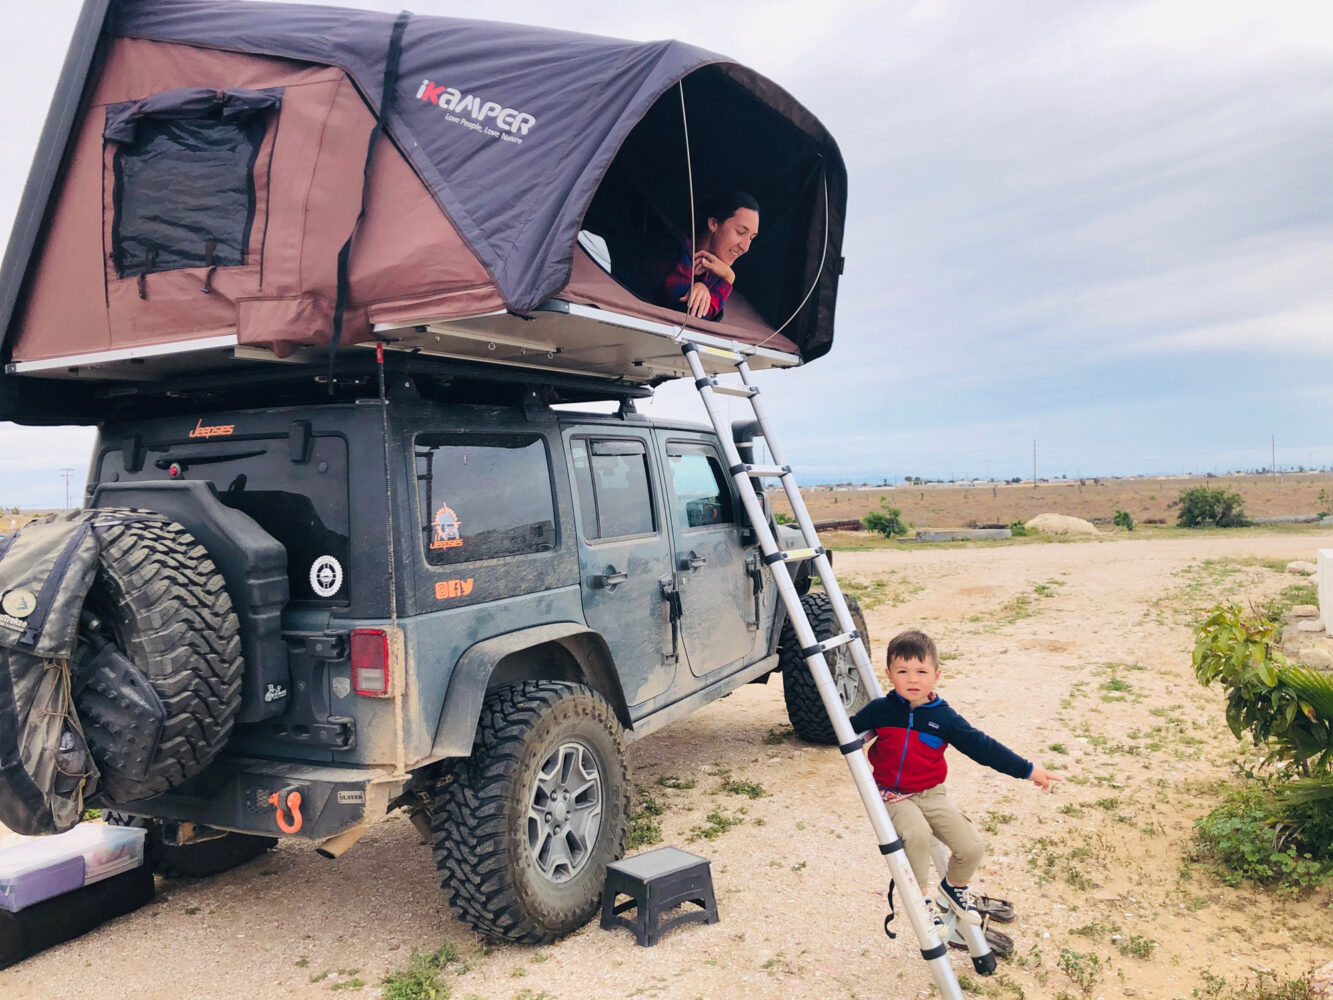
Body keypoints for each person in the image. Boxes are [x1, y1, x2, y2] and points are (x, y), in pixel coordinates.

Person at [848, 629, 1061, 926]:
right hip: (892, 795)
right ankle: (921, 900)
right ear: (889, 674)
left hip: (931, 794)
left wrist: (1027, 770)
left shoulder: (944, 718)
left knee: (972, 846)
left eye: (921, 671)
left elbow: (983, 747)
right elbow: (844, 729)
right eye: (902, 671)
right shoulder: (880, 710)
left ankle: (954, 887)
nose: (912, 679)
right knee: (917, 834)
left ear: (937, 675)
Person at [656, 191, 759, 320]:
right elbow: (690, 318)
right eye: (741, 232)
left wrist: (704, 286)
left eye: (751, 238)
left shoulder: (715, 270)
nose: (746, 247)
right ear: (713, 223)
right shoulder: (674, 249)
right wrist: (728, 278)